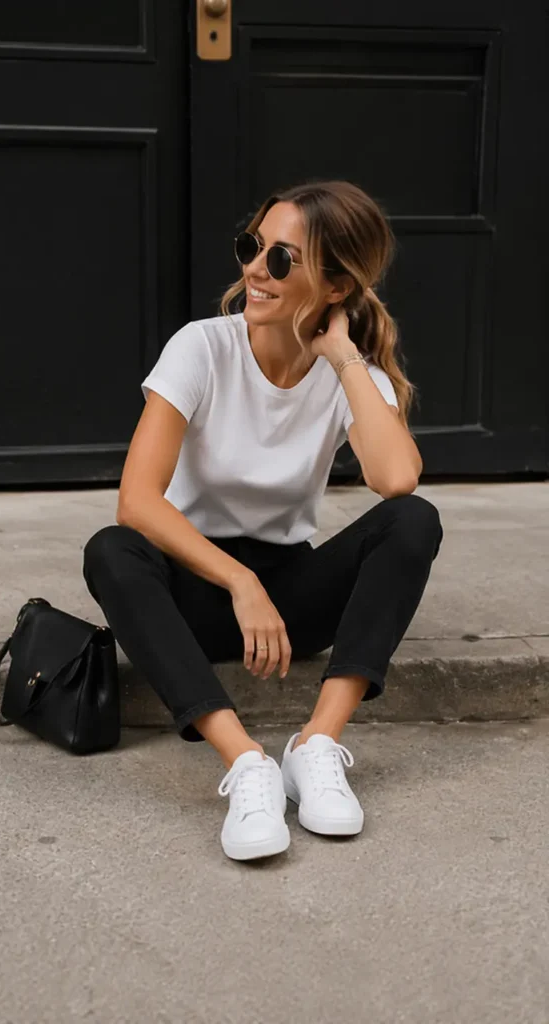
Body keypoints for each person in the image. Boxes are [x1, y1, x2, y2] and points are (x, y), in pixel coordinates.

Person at [83, 180, 443, 862]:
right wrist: (240, 582)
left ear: (335, 286)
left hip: (291, 601)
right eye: (253, 247)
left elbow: (397, 480)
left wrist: (343, 357)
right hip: (193, 588)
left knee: (413, 521)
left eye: (282, 259)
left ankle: (316, 746)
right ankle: (246, 763)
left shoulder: (347, 372)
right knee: (112, 550)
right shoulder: (202, 347)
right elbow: (137, 501)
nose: (255, 268)